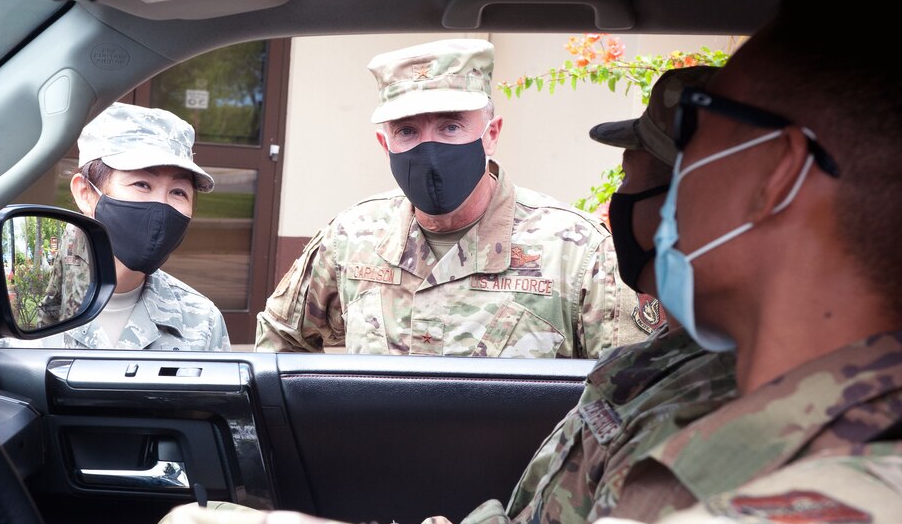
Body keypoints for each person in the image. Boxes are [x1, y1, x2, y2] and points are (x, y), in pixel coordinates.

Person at [19, 0, 902, 524]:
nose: (655, 184)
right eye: (407, 129)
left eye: (701, 123)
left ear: (778, 174)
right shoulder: (667, 371)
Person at [378, 65, 741, 524]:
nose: (618, 206)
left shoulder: (707, 424)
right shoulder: (658, 373)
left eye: (632, 180)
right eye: (406, 131)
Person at [255, 38, 647, 358]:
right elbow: (280, 339)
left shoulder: (578, 251)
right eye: (407, 131)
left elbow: (628, 391)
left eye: (451, 126)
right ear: (384, 143)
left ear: (491, 134)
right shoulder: (352, 237)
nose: (429, 149)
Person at [29, 102, 229, 351]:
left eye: (178, 192)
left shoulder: (202, 321)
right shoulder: (22, 298)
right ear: (85, 193)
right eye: (142, 185)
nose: (161, 207)